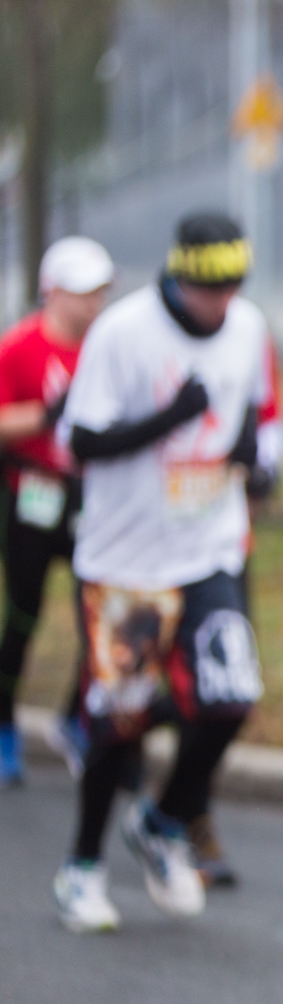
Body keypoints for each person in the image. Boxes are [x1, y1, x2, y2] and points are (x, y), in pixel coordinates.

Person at [50, 213, 282, 934]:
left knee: (232, 693)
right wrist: (168, 415)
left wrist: (256, 455)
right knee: (120, 719)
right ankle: (81, 867)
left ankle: (162, 820)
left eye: (231, 287)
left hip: (208, 547)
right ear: (179, 276)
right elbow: (77, 440)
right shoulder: (123, 332)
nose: (220, 302)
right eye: (207, 288)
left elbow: (255, 419)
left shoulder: (248, 328)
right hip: (127, 561)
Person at [0, 237, 113, 786]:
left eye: (100, 293)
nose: (93, 304)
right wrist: (48, 415)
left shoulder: (107, 348)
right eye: (82, 292)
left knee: (100, 611)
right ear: (53, 291)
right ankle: (3, 729)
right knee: (23, 615)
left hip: (87, 498)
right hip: (29, 494)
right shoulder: (18, 348)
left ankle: (75, 718)